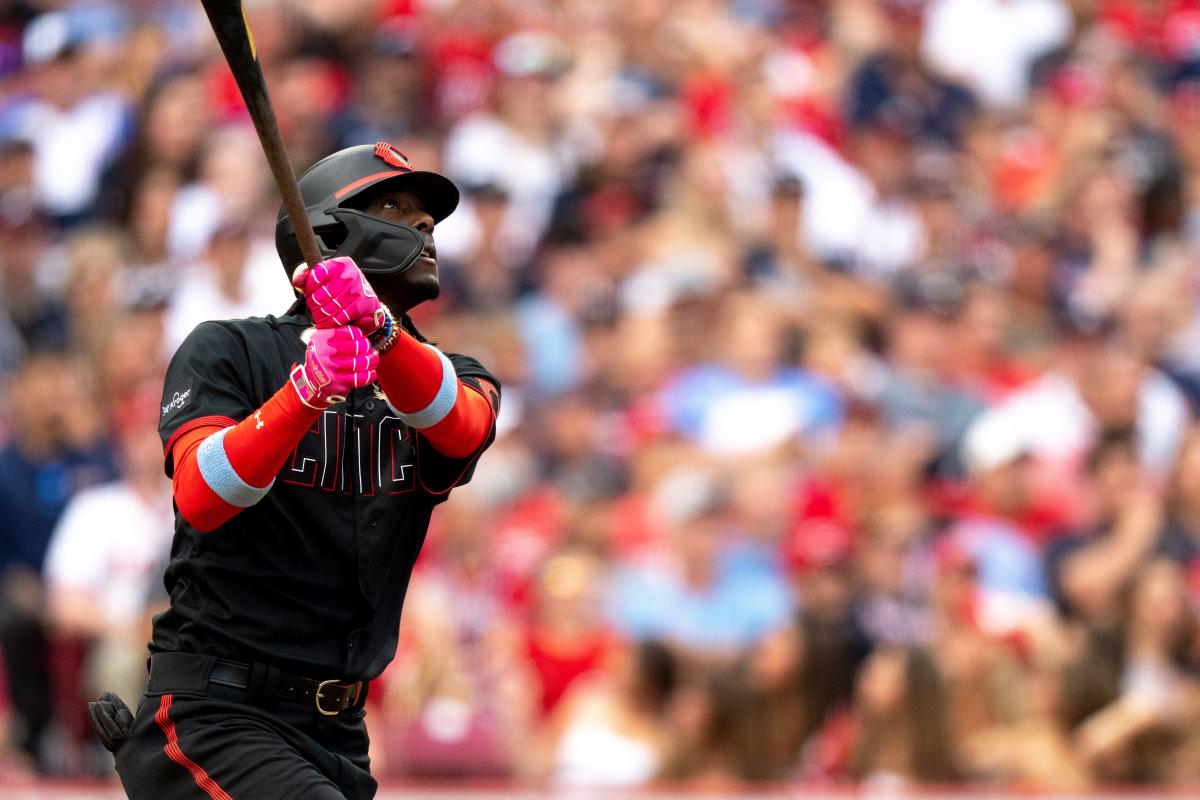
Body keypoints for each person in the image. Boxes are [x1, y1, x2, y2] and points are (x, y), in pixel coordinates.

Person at [89, 142, 501, 800]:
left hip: (339, 732)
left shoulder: (454, 376)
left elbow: (462, 425)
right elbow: (201, 496)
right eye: (395, 208)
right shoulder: (229, 350)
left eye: (429, 220)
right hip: (215, 713)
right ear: (326, 233)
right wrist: (305, 391)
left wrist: (380, 335)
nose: (424, 228)